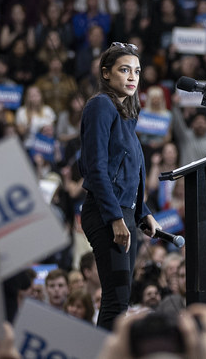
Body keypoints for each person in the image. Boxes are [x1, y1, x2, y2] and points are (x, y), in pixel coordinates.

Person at [78, 42, 157, 329]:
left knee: (120, 303)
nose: (132, 77)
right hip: (107, 212)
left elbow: (129, 171)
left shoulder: (127, 115)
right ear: (106, 73)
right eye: (124, 70)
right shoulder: (101, 105)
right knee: (116, 302)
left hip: (125, 212)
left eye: (136, 71)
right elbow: (96, 168)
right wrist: (115, 218)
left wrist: (142, 211)